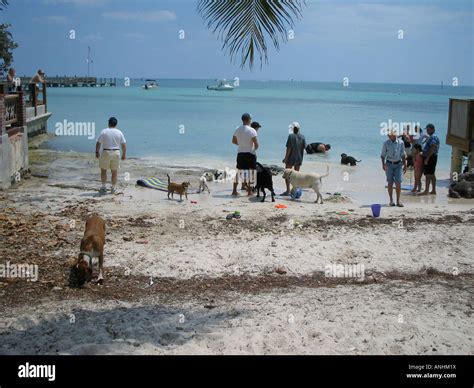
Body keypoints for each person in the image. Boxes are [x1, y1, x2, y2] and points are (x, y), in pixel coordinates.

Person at [95, 117, 127, 194]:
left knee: (103, 171)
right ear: (116, 124)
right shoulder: (119, 132)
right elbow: (123, 144)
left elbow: (98, 143)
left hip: (106, 152)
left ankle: (103, 187)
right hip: (116, 152)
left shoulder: (104, 131)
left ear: (108, 123)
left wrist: (97, 151)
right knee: (114, 172)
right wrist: (124, 154)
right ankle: (113, 188)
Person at [232, 113, 258, 196]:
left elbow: (233, 141)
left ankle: (234, 191)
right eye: (250, 119)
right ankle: (249, 192)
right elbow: (256, 144)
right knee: (251, 173)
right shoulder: (252, 130)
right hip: (250, 154)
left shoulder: (237, 129)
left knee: (239, 172)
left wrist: (241, 144)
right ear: (248, 120)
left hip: (240, 153)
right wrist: (254, 149)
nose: (251, 120)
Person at [381, 129, 407, 207]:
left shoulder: (401, 143)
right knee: (390, 182)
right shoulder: (386, 143)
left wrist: (405, 165)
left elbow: (403, 154)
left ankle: (398, 200)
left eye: (392, 134)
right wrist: (383, 165)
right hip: (389, 164)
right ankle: (391, 200)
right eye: (389, 135)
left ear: (395, 135)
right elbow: (382, 155)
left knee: (398, 182)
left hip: (398, 164)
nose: (390, 136)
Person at [281, 122, 307, 196]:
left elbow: (289, 148)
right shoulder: (303, 137)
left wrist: (285, 159)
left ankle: (288, 191)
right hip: (299, 158)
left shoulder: (291, 136)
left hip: (290, 158)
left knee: (287, 175)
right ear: (299, 129)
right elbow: (305, 147)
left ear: (292, 129)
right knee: (296, 176)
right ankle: (295, 190)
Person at [420, 123, 439, 195]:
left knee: (428, 175)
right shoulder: (433, 136)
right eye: (427, 129)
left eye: (428, 129)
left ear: (433, 129)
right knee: (432, 174)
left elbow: (433, 147)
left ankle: (426, 191)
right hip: (433, 157)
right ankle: (433, 190)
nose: (427, 131)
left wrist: (427, 158)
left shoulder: (433, 137)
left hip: (431, 157)